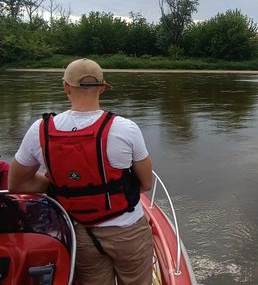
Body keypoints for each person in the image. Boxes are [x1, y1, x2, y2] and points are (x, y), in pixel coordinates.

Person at [8, 58, 154, 284]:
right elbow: (146, 184)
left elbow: (17, 184)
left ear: (66, 86)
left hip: (80, 232)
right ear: (103, 88)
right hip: (127, 232)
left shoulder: (40, 129)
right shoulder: (126, 128)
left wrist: (57, 185)